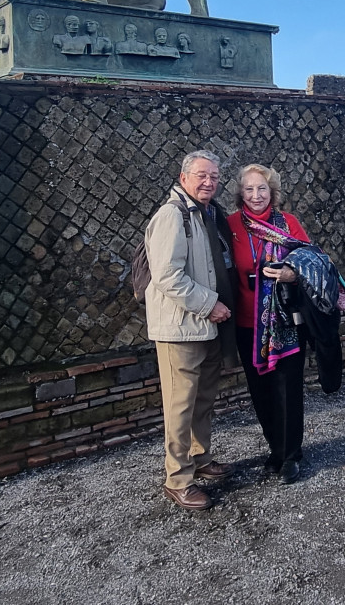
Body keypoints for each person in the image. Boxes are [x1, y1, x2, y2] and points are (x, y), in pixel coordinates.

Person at [144, 150, 237, 511]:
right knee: (180, 405)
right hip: (180, 327)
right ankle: (178, 479)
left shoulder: (207, 214)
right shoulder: (172, 215)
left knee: (202, 399)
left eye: (214, 176)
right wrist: (208, 304)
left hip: (206, 327)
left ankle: (199, 458)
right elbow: (167, 275)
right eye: (201, 175)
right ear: (184, 178)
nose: (209, 182)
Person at [227, 164, 312, 484]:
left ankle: (291, 455)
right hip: (247, 324)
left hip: (285, 321)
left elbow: (311, 261)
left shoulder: (288, 223)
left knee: (287, 388)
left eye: (261, 188)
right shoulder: (230, 226)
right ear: (240, 193)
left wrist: (292, 273)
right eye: (249, 189)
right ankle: (276, 449)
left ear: (271, 191)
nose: (255, 195)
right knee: (261, 390)